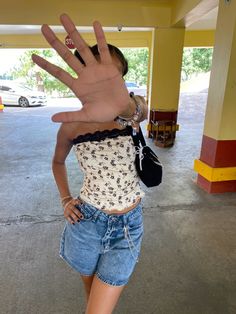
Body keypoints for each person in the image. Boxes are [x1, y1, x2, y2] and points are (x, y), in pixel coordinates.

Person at [32, 13, 148, 314]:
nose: (107, 88)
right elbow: (57, 162)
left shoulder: (128, 115)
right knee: (91, 294)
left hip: (127, 225)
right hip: (86, 222)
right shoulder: (71, 126)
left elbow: (142, 109)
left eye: (116, 78)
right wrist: (65, 199)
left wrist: (125, 104)